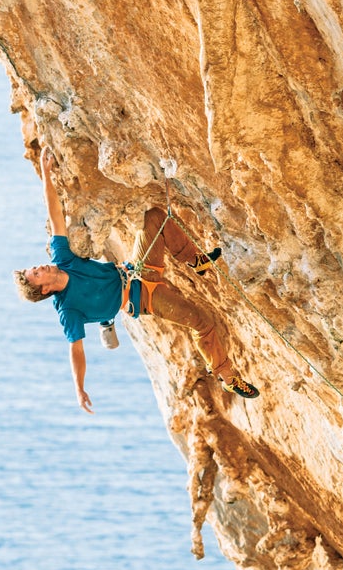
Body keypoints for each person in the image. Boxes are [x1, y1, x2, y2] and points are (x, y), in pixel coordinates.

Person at [14, 147, 260, 413]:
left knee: (154, 217)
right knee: (202, 323)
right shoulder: (68, 309)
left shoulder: (63, 259)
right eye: (36, 273)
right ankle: (228, 377)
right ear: (45, 288)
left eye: (34, 268)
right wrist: (79, 388)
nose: (39, 266)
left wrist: (48, 174)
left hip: (136, 268)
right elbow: (76, 351)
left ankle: (196, 261)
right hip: (144, 297)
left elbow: (55, 215)